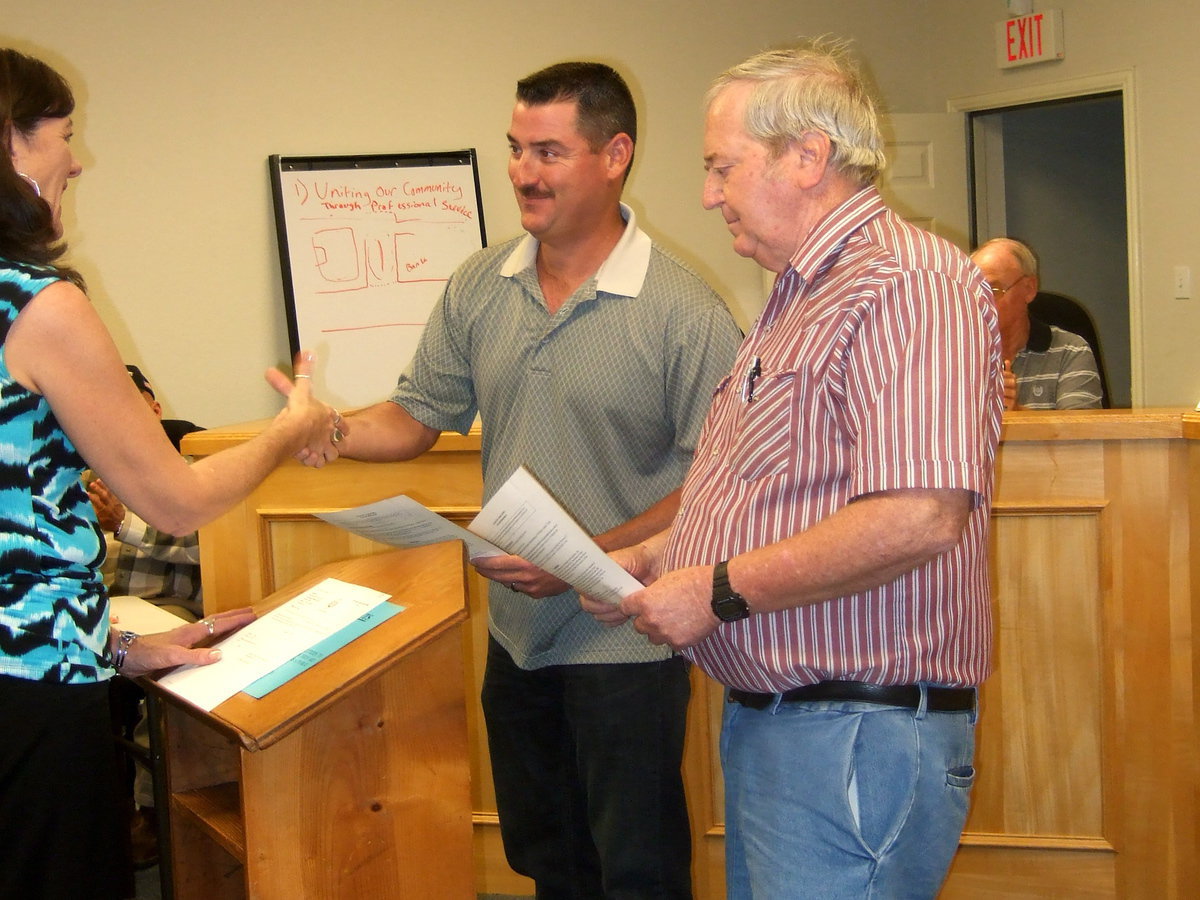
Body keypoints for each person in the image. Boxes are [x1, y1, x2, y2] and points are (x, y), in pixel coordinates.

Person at [304, 61, 741, 897]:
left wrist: (585, 554)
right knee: (545, 866)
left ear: (616, 155)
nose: (521, 173)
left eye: (547, 151)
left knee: (638, 873)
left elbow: (722, 482)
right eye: (514, 149)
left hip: (624, 638)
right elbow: (415, 415)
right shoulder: (480, 283)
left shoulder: (686, 312)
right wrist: (326, 426)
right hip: (516, 639)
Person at [582, 39, 1004, 899]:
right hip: (796, 732)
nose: (707, 195)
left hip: (853, 736)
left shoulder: (905, 284)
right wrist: (656, 561)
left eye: (721, 168)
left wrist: (717, 591)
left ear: (808, 157)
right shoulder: (803, 294)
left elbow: (918, 515)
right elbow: (774, 494)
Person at [0, 48, 338, 900]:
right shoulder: (37, 307)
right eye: (63, 136)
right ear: (10, 144)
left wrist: (116, 643)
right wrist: (286, 431)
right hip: (30, 714)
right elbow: (173, 499)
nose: (76, 160)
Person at [90, 365, 204, 622]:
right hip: (97, 606)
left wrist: (122, 524)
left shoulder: (195, 476)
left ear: (155, 412)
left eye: (131, 408)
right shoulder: (77, 477)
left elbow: (205, 547)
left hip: (165, 606)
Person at [970, 237, 1103, 410]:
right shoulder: (953, 353)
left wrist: (1015, 413)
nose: (980, 301)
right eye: (974, 291)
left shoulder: (1070, 351)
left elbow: (1081, 434)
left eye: (993, 290)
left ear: (1029, 289)